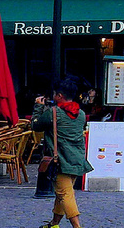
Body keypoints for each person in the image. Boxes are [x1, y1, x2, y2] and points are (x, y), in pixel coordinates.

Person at [32, 77, 93, 228]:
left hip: (60, 160)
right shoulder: (81, 114)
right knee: (63, 192)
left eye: (54, 94)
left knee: (65, 194)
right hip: (77, 159)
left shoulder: (54, 113)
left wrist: (38, 106)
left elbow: (36, 125)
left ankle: (77, 226)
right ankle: (54, 224)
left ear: (59, 96)